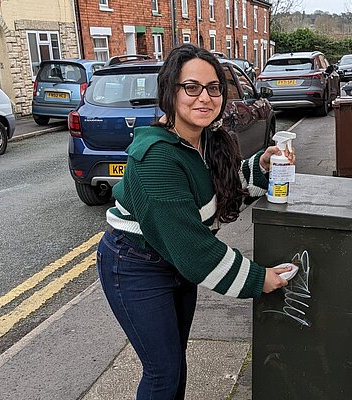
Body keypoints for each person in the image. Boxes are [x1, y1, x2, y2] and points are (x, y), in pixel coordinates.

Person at [96, 43, 296, 400]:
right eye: (191, 87)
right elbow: (193, 250)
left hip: (173, 263)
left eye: (213, 88)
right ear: (169, 92)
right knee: (163, 372)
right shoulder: (155, 159)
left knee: (175, 365)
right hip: (135, 266)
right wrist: (257, 278)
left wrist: (261, 167)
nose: (204, 97)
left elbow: (222, 190)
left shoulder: (205, 141)